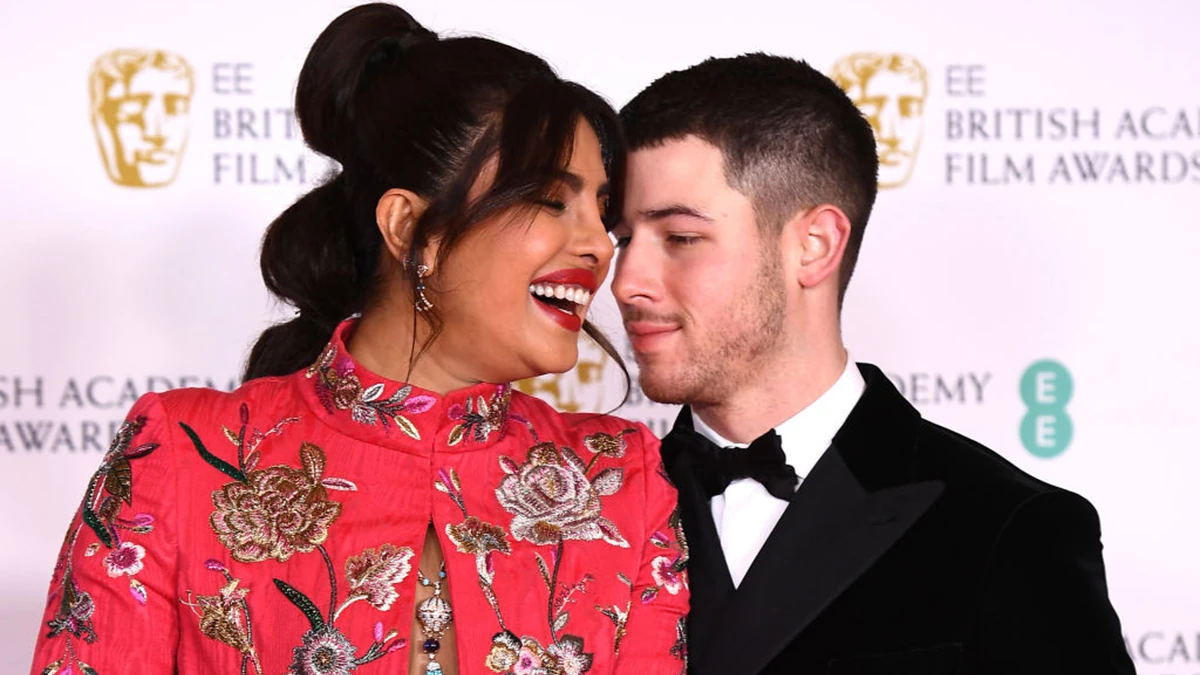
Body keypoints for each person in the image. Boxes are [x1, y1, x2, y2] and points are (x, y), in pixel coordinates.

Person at [29, 5, 688, 675]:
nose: (598, 245)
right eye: (551, 200)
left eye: (600, 210)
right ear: (410, 228)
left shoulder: (620, 481)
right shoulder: (179, 456)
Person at [611, 53, 1132, 675]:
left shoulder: (1006, 527)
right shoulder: (588, 506)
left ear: (814, 246)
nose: (626, 282)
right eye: (623, 240)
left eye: (680, 238)